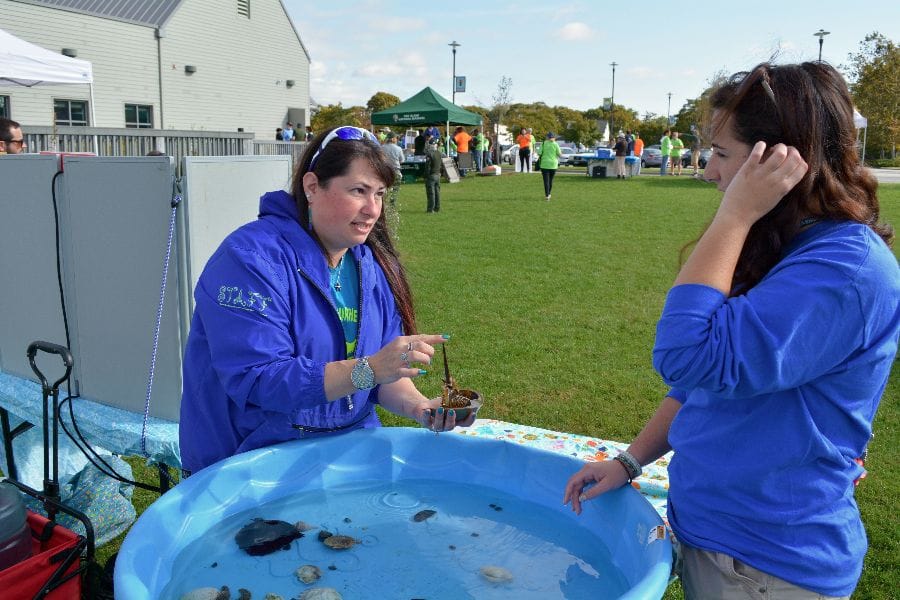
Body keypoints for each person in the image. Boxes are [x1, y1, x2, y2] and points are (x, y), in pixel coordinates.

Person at [563, 62, 900, 599]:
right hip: (723, 541)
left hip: (768, 562)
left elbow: (687, 355)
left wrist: (735, 216)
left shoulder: (843, 268)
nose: (707, 171)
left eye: (721, 154)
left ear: (780, 160)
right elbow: (702, 385)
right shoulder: (787, 243)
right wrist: (630, 462)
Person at [179, 125, 475, 474]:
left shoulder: (368, 264)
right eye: (358, 190)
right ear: (311, 187)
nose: (372, 209)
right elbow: (259, 379)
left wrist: (420, 406)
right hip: (250, 466)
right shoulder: (250, 259)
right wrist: (368, 370)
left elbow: (383, 373)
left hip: (345, 456)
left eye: (379, 194)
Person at [536, 131, 561, 201]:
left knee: (546, 181)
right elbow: (560, 154)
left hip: (545, 164)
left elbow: (539, 153)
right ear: (553, 137)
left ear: (547, 137)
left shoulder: (543, 143)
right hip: (553, 165)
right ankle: (549, 193)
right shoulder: (556, 144)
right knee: (551, 180)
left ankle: (547, 195)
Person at [381, 132, 405, 203]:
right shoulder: (398, 148)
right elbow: (402, 160)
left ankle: (383, 202)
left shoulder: (382, 148)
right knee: (395, 189)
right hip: (396, 171)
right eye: (396, 138)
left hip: (385, 171)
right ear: (393, 139)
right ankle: (392, 202)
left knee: (385, 189)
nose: (397, 139)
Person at [424, 137, 442, 213]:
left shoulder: (429, 154)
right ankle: (437, 208)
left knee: (431, 193)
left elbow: (427, 167)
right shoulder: (439, 153)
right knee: (437, 192)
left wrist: (426, 176)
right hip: (438, 174)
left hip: (431, 175)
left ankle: (430, 209)